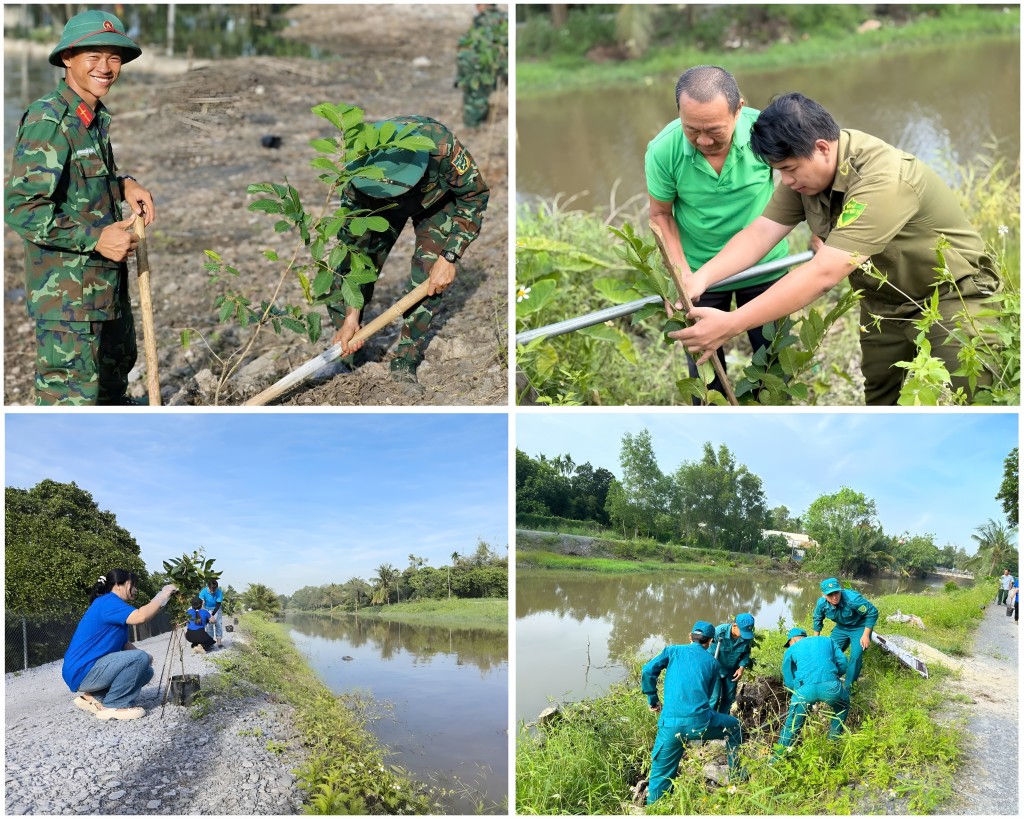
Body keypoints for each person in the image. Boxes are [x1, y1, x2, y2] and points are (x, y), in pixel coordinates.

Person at [672, 92, 1001, 405]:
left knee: (978, 394)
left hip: (952, 293)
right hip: (884, 301)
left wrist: (732, 323)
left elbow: (825, 272)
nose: (785, 181)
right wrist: (702, 277)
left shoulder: (883, 178)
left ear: (822, 148)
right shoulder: (805, 174)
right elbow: (761, 232)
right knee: (880, 395)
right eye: (778, 171)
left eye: (788, 169)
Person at [4, 10, 157, 406]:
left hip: (105, 290)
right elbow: (22, 208)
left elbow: (81, 180)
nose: (105, 68)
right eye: (94, 56)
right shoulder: (49, 118)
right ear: (68, 58)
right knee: (69, 404)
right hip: (69, 304)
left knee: (112, 391)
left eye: (114, 57)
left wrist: (124, 184)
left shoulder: (92, 118)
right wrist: (95, 238)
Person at [647, 66, 792, 399]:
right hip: (699, 276)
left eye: (714, 130)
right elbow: (660, 215)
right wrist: (683, 275)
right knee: (706, 379)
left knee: (774, 368)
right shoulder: (663, 151)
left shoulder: (766, 131)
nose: (703, 140)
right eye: (692, 129)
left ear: (739, 109)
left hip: (764, 267)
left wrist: (818, 227)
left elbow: (798, 180)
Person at [330, 115, 490, 393]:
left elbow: (474, 195)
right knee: (341, 273)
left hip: (435, 203)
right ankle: (351, 356)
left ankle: (406, 361)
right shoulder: (358, 175)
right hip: (378, 210)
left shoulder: (440, 146)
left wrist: (449, 256)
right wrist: (351, 315)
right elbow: (355, 249)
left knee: (430, 280)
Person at [641, 621, 744, 804]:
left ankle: (655, 807)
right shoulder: (713, 663)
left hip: (671, 726)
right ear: (710, 641)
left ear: (690, 636)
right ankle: (736, 777)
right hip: (701, 723)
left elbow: (648, 670)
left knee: (660, 775)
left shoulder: (672, 651)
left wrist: (653, 699)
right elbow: (708, 696)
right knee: (734, 726)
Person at [62, 569, 177, 720]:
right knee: (139, 659)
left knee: (145, 671)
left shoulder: (107, 603)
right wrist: (163, 595)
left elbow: (123, 643)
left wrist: (144, 658)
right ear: (118, 585)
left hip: (85, 669)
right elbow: (140, 616)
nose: (135, 590)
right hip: (83, 670)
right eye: (133, 585)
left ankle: (93, 697)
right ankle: (113, 705)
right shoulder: (109, 602)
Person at [776, 628, 850, 751]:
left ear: (792, 640)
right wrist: (833, 678)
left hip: (804, 691)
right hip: (831, 686)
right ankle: (832, 744)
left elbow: (789, 681)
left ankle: (777, 758)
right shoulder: (828, 640)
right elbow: (843, 662)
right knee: (842, 707)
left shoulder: (791, 650)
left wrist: (798, 691)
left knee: (791, 725)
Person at [812, 577, 878, 689]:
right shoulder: (822, 604)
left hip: (859, 626)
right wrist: (815, 641)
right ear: (823, 595)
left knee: (856, 656)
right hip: (841, 627)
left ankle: (849, 687)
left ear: (840, 590)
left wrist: (866, 635)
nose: (834, 597)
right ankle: (828, 679)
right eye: (830, 595)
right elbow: (817, 619)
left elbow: (872, 612)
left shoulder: (852, 599)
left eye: (836, 593)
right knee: (829, 651)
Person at [455, 4, 508, 128]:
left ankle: (473, 127)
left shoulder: (481, 21)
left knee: (475, 98)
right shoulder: (504, 18)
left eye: (478, 4)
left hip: (479, 68)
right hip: (484, 67)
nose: (476, 7)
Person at [708, 613, 755, 713]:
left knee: (729, 698)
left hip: (731, 670)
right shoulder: (718, 632)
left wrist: (741, 667)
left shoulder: (747, 637)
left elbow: (746, 653)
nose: (744, 635)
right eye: (743, 631)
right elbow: (708, 654)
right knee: (714, 697)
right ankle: (709, 722)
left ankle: (722, 722)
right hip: (715, 669)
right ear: (734, 626)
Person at [198, 578, 224, 648]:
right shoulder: (203, 592)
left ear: (216, 588)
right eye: (211, 590)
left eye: (214, 590)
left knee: (218, 624)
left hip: (216, 609)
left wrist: (212, 615)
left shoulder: (219, 592)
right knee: (209, 626)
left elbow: (218, 605)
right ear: (208, 587)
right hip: (206, 609)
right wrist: (206, 615)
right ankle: (211, 643)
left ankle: (219, 643)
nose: (212, 591)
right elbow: (201, 603)